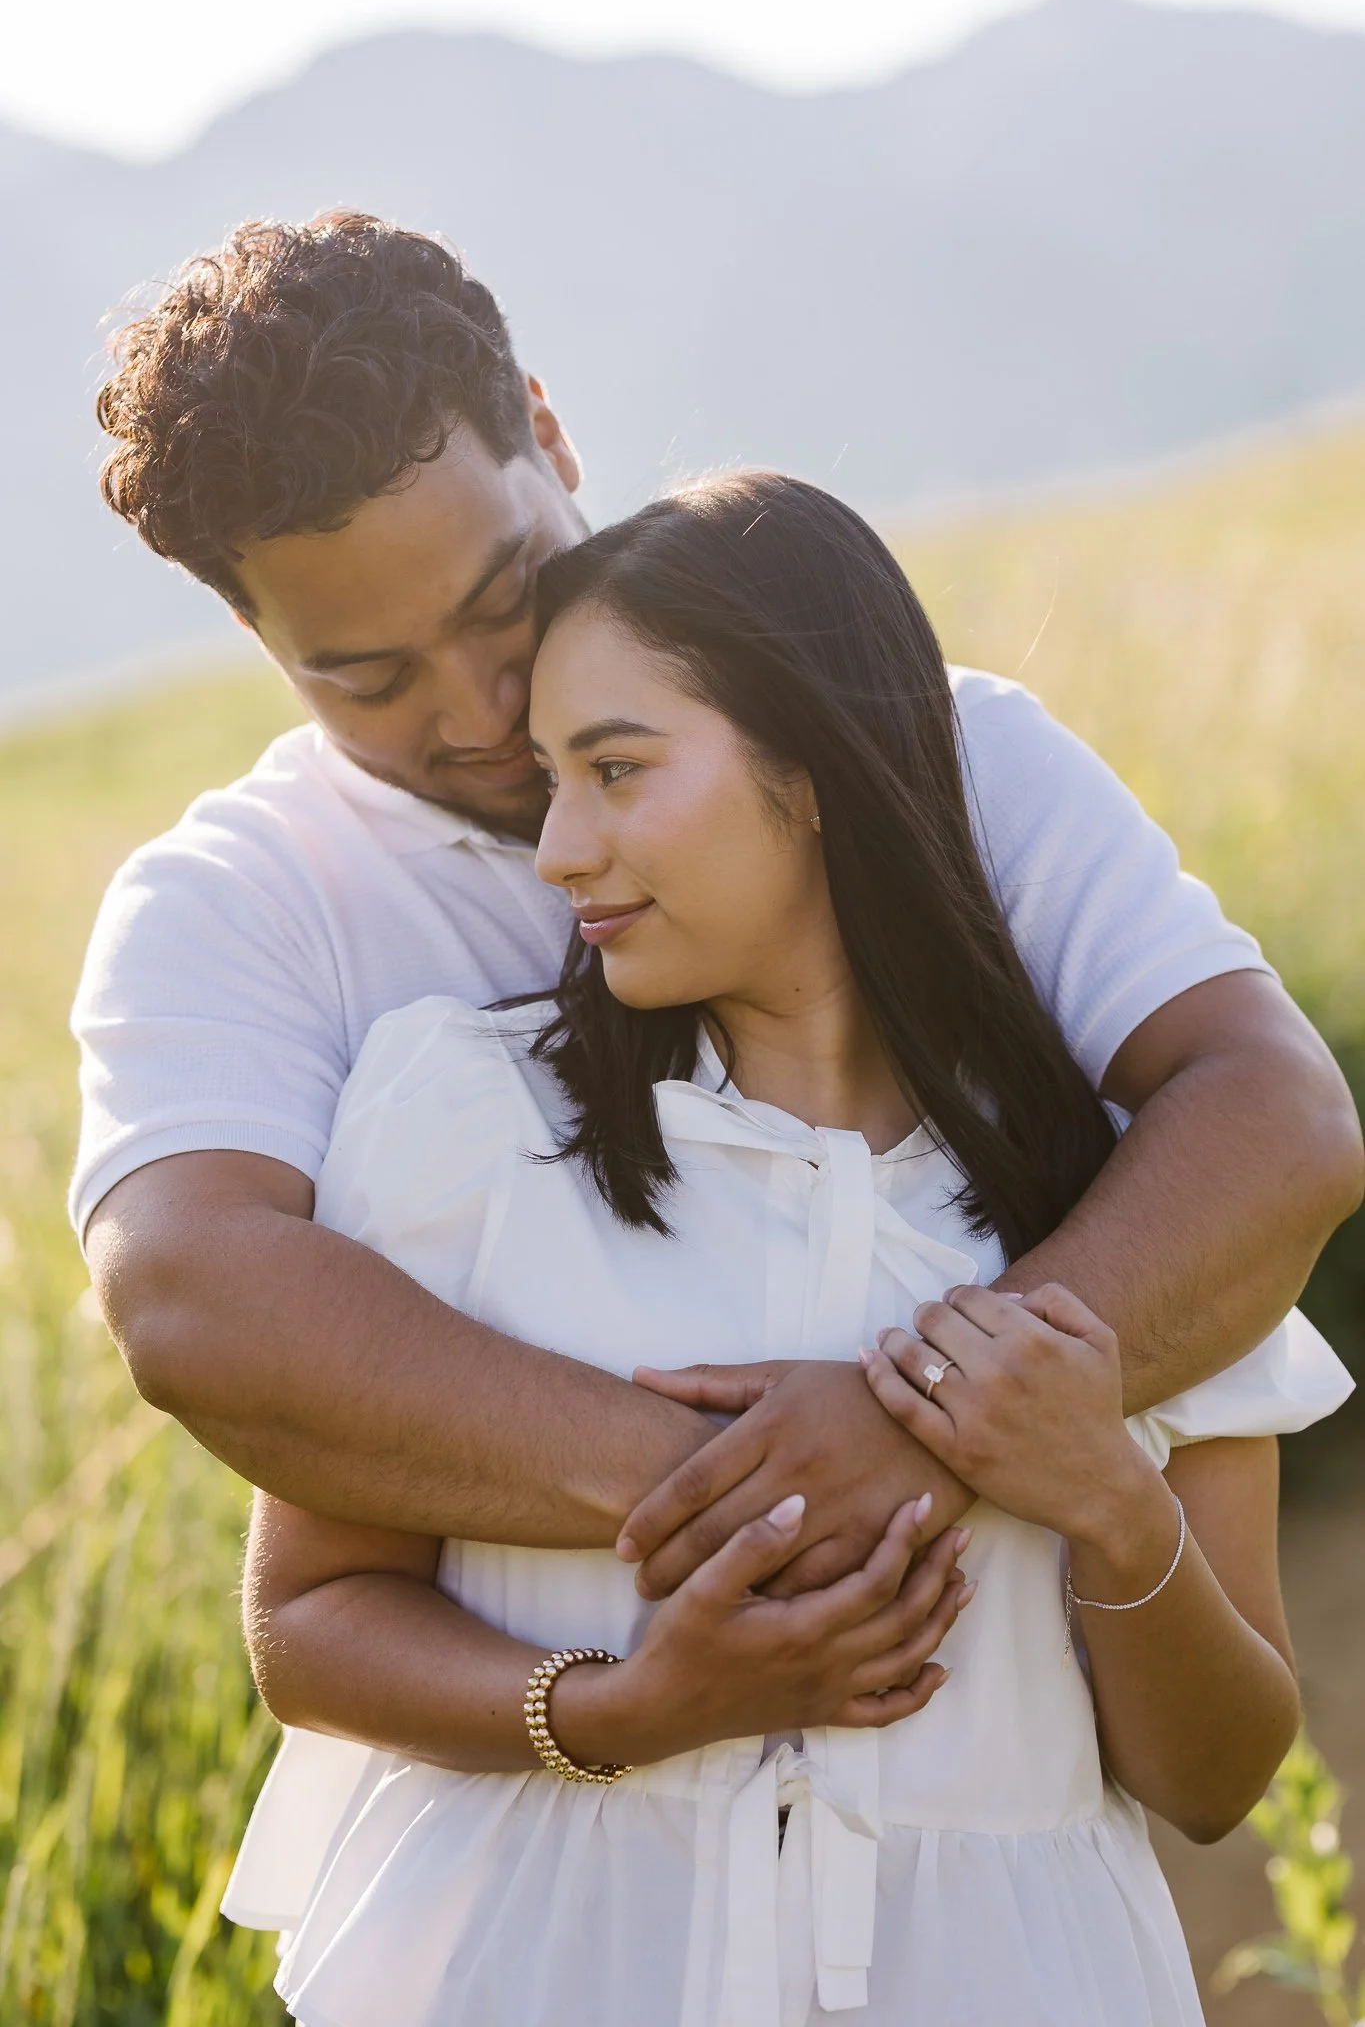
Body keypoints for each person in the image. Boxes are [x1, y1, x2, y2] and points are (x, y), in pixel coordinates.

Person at [76, 211, 1362, 1610]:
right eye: (369, 679)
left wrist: (911, 1427)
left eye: (502, 595)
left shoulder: (938, 752)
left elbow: (1276, 1116)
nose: (483, 707)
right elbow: (192, 1295)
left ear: (552, 441)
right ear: (259, 639)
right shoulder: (232, 908)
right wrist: (764, 1484)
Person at [221, 472, 1353, 2025]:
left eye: (616, 769)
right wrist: (625, 1712)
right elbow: (309, 1624)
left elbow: (1217, 1780)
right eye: (553, 778)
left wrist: (1100, 1498)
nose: (556, 848)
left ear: (814, 765)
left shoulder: (1131, 1206)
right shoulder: (466, 1119)